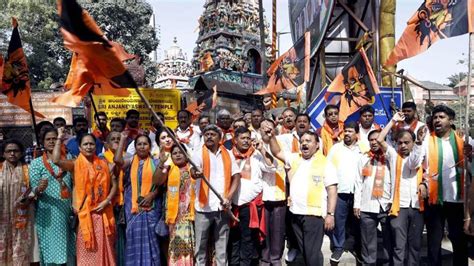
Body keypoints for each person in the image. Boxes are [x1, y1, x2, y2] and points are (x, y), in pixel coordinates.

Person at [263, 124, 337, 265]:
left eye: (308, 141)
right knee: (304, 252)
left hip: (314, 216)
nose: (304, 143)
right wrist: (272, 137)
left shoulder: (325, 163)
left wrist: (330, 214)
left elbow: (332, 190)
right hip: (296, 214)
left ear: (317, 145)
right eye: (302, 141)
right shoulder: (295, 158)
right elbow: (277, 152)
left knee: (312, 254)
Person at [53, 128, 117, 265]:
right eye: (85, 144)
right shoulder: (75, 164)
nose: (89, 147)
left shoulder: (104, 164)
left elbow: (114, 186)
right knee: (86, 249)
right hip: (85, 215)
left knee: (105, 249)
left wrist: (106, 201)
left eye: (91, 144)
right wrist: (59, 138)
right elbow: (56, 160)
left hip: (102, 213)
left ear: (96, 146)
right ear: (79, 147)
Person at [421, 105, 469, 266]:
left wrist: (471, 156)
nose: (437, 120)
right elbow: (417, 165)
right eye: (435, 117)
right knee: (434, 244)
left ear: (451, 120)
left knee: (459, 241)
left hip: (458, 201)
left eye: (442, 117)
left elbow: (472, 168)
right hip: (434, 200)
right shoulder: (426, 141)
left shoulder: (464, 140)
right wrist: (422, 183)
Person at [376, 112, 426, 266]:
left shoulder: (419, 154)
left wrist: (418, 143)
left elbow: (413, 162)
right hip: (399, 208)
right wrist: (393, 121)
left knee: (415, 246)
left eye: (407, 142)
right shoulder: (393, 155)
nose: (403, 146)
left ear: (413, 143)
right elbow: (379, 139)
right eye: (400, 143)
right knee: (399, 246)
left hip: (417, 206)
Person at [191, 124, 241, 265]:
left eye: (213, 134)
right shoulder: (198, 153)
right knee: (200, 247)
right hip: (204, 208)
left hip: (222, 207)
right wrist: (197, 173)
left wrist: (229, 197)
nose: (209, 137)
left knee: (222, 247)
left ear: (220, 138)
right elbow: (193, 173)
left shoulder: (227, 153)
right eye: (207, 135)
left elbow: (236, 176)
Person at [114, 132, 164, 266]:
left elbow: (161, 184)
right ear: (135, 147)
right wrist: (123, 140)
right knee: (133, 239)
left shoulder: (157, 162)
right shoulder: (130, 161)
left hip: (151, 207)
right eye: (139, 144)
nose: (142, 147)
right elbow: (117, 161)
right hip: (133, 208)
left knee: (152, 241)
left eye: (145, 144)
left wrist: (152, 195)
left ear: (150, 146)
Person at [228, 127, 275, 266]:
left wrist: (262, 149)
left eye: (248, 138)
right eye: (243, 138)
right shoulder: (229, 155)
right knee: (233, 239)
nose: (246, 141)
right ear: (235, 140)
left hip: (249, 206)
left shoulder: (256, 155)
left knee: (247, 239)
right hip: (231, 204)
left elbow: (271, 167)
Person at [29, 128, 75, 265]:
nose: (51, 141)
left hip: (67, 210)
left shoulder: (68, 160)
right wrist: (39, 188)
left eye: (54, 138)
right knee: (49, 246)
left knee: (69, 247)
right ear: (43, 142)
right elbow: (34, 189)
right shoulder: (36, 163)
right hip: (47, 212)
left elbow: (76, 184)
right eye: (48, 139)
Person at [354, 129, 392, 265]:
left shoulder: (390, 158)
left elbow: (395, 181)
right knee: (367, 241)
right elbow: (358, 182)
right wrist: (356, 204)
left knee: (389, 240)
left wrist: (393, 201)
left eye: (377, 139)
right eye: (371, 140)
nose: (374, 142)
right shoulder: (364, 158)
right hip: (367, 205)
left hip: (387, 205)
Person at [327, 121, 364, 263]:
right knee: (339, 221)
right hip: (340, 192)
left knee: (358, 222)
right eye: (346, 131)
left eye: (350, 131)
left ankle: (359, 249)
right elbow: (329, 169)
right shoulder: (336, 149)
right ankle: (338, 248)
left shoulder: (363, 148)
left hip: (357, 194)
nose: (347, 134)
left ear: (357, 134)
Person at [154, 144, 196, 265]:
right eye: (175, 153)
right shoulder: (168, 168)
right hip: (175, 216)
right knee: (176, 247)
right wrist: (161, 163)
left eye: (180, 152)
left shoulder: (193, 169)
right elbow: (157, 181)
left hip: (191, 215)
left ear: (186, 155)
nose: (178, 155)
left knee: (191, 247)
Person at [258, 119, 287, 266]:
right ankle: (265, 258)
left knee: (277, 231)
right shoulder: (255, 144)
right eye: (263, 128)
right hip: (262, 195)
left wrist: (272, 138)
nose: (266, 130)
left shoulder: (281, 143)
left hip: (279, 194)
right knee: (264, 231)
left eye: (269, 127)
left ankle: (276, 259)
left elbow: (278, 162)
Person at [0, 139, 33, 265]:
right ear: (3, 154)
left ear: (21, 153)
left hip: (22, 216)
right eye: (9, 151)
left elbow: (32, 190)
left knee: (20, 247)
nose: (12, 153)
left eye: (15, 151)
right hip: (2, 218)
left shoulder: (27, 169)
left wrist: (33, 194)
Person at [100, 131, 128, 266]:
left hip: (125, 203)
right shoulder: (101, 158)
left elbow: (119, 162)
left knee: (123, 238)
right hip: (108, 202)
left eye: (119, 139)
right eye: (113, 139)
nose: (117, 141)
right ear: (106, 143)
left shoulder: (128, 157)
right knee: (111, 237)